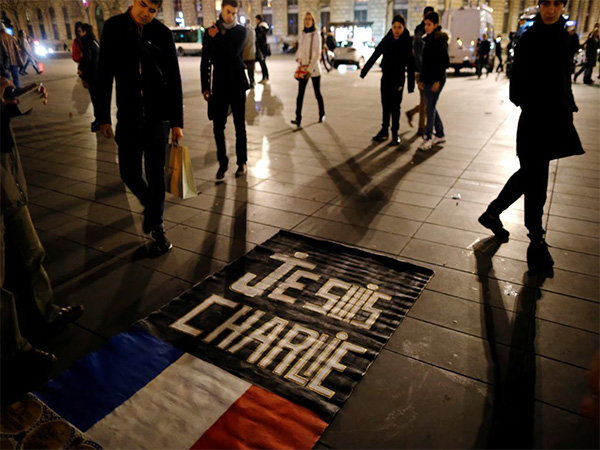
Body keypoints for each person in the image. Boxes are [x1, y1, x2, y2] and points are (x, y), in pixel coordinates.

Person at [478, 0, 584, 271]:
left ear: (562, 7)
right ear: (539, 6)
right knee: (536, 179)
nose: (550, 10)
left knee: (532, 176)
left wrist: (566, 105)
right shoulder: (530, 38)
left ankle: (494, 214)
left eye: (556, 4)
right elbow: (516, 89)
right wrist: (537, 105)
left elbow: (564, 77)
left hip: (556, 120)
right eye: (546, 4)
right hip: (536, 121)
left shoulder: (563, 36)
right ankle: (535, 238)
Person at [1, 76, 85, 368]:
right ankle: (12, 348)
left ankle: (44, 314)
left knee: (29, 251)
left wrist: (20, 99)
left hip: (5, 158)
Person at [98, 0, 184, 254]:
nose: (146, 13)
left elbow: (174, 79)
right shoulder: (114, 27)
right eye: (143, 6)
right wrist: (102, 116)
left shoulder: (162, 33)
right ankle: (152, 207)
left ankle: (157, 227)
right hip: (128, 115)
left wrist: (177, 122)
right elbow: (104, 74)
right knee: (129, 172)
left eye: (152, 10)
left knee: (156, 174)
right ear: (134, 2)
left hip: (159, 118)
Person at [201, 0, 248, 181]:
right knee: (217, 126)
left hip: (237, 84)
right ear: (222, 10)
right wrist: (205, 86)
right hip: (219, 85)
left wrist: (218, 37)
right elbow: (205, 61)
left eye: (234, 13)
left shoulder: (241, 31)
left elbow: (232, 53)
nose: (231, 16)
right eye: (228, 12)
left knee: (239, 126)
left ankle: (242, 162)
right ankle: (222, 161)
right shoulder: (209, 32)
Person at [360, 14, 415, 146]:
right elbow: (376, 54)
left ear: (403, 28)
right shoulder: (388, 39)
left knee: (395, 107)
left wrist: (411, 85)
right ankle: (384, 131)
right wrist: (364, 71)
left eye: (399, 27)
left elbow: (411, 64)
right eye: (394, 27)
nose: (396, 30)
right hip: (386, 78)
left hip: (398, 80)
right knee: (385, 105)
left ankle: (395, 133)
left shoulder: (406, 42)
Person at [417, 11, 449, 151]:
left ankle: (428, 137)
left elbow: (444, 63)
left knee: (430, 107)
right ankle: (440, 134)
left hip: (437, 80)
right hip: (428, 79)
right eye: (425, 24)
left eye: (429, 24)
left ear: (436, 25)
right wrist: (422, 79)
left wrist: (437, 80)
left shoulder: (440, 41)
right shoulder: (427, 40)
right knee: (431, 106)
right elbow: (425, 64)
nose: (426, 27)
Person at [291, 12, 325, 129]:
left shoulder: (316, 34)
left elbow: (317, 54)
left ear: (313, 21)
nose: (307, 21)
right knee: (300, 94)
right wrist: (298, 57)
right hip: (303, 67)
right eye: (306, 19)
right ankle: (298, 118)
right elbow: (300, 48)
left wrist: (309, 69)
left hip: (313, 68)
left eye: (310, 19)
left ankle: (322, 113)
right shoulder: (303, 34)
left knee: (317, 93)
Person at [405, 6, 434, 135]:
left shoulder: (434, 32)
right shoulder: (419, 32)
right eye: (427, 16)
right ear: (423, 17)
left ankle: (411, 113)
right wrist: (421, 73)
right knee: (425, 99)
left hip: (431, 71)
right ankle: (422, 128)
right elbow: (417, 54)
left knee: (428, 100)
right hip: (421, 71)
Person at [77, 23, 101, 132]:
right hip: (99, 75)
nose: (79, 34)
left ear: (85, 31)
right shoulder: (95, 41)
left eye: (81, 31)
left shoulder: (87, 43)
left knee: (96, 99)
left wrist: (81, 70)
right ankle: (101, 119)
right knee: (98, 99)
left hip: (93, 76)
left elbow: (87, 59)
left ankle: (99, 120)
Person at [0, 23, 23, 88]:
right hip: (14, 60)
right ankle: (18, 92)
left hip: (4, 63)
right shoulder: (11, 37)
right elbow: (17, 49)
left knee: (7, 80)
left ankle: (10, 94)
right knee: (16, 78)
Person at [255, 15, 270, 83]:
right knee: (263, 64)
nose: (255, 21)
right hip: (262, 49)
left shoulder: (260, 28)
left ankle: (265, 77)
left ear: (258, 20)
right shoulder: (262, 28)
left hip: (261, 49)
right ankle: (265, 77)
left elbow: (260, 39)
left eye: (256, 20)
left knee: (263, 64)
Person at [242, 21, 256, 87]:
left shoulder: (243, 31)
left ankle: (247, 82)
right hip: (252, 53)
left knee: (245, 68)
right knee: (251, 69)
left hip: (245, 53)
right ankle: (252, 81)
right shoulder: (253, 31)